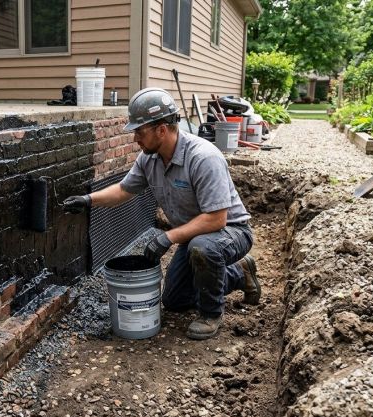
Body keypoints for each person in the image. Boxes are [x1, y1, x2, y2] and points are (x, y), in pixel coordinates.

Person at [63, 88, 261, 340]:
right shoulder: (150, 158)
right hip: (195, 235)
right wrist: (88, 199)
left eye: (139, 131)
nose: (135, 138)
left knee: (203, 248)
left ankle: (211, 314)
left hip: (229, 231)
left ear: (161, 129)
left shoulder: (203, 158)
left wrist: (168, 238)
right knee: (175, 300)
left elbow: (216, 219)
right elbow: (124, 190)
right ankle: (239, 272)